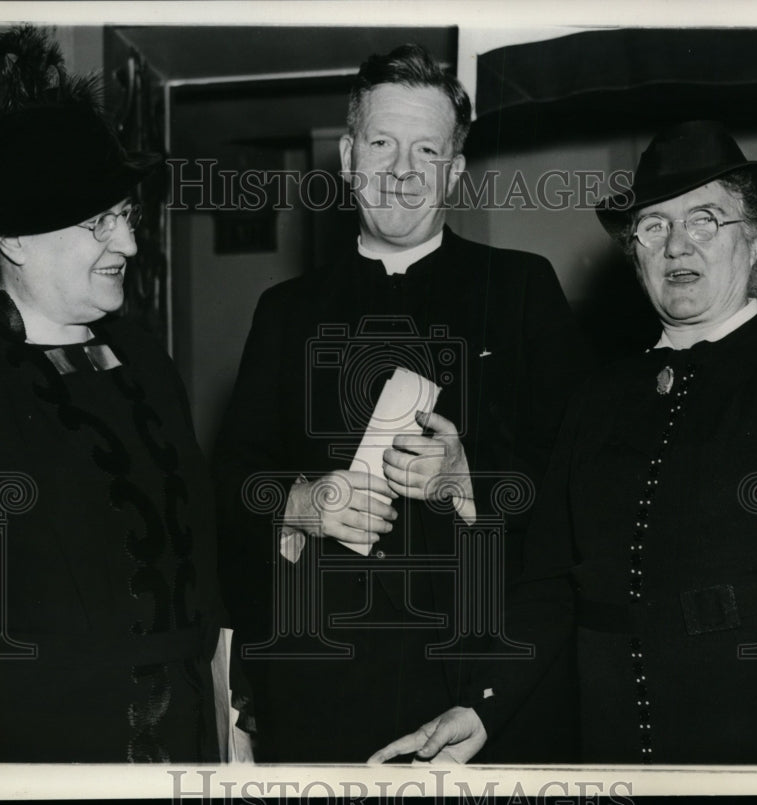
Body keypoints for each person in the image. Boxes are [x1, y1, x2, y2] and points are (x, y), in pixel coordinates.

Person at [370, 120, 757, 765]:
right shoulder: (597, 398)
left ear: (755, 240)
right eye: (654, 226)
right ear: (636, 252)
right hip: (613, 736)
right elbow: (551, 586)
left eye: (705, 219)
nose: (677, 244)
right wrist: (483, 708)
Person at [214, 43, 590, 762]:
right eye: (382, 144)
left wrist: (468, 479)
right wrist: (298, 500)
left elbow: (583, 482)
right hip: (321, 689)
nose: (402, 171)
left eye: (427, 150)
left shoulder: (522, 290)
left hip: (480, 687)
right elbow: (229, 480)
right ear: (349, 158)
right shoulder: (285, 310)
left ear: (454, 170)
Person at [0, 27, 250, 763]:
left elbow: (201, 556)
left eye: (125, 216)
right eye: (98, 222)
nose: (128, 245)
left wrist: (229, 717)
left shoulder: (143, 354)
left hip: (188, 739)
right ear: (14, 239)